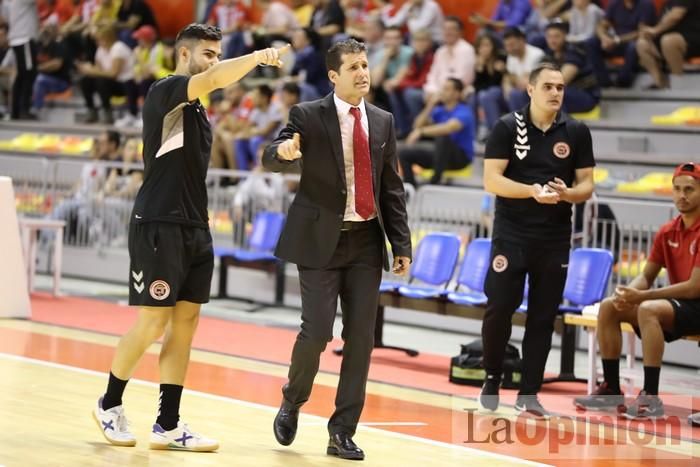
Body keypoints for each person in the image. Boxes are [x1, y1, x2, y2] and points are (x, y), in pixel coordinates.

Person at [91, 23, 288, 451]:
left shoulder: (199, 111)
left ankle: (168, 423)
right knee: (153, 322)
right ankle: (109, 403)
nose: (214, 62)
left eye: (219, 54)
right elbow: (217, 79)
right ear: (185, 55)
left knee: (185, 325)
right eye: (208, 54)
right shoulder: (166, 91)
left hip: (195, 226)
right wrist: (257, 57)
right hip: (158, 223)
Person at [262, 38, 412, 461]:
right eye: (353, 67)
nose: (363, 73)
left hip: (366, 241)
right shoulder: (308, 115)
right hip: (320, 241)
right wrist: (284, 151)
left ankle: (342, 431)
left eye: (365, 64)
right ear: (333, 76)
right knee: (317, 333)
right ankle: (293, 399)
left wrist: (400, 243)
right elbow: (271, 154)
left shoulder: (382, 120)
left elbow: (391, 187)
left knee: (361, 340)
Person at [479, 62, 595, 419]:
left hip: (554, 237)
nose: (556, 93)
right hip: (512, 234)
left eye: (560, 87)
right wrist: (531, 191)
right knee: (499, 308)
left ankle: (529, 392)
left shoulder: (576, 131)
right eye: (548, 86)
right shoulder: (506, 127)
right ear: (530, 90)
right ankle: (493, 376)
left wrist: (568, 194)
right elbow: (492, 181)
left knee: (543, 317)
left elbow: (587, 186)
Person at [574, 163, 700, 419]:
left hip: (695, 303)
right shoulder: (668, 231)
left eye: (690, 189)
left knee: (648, 308)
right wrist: (626, 295)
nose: (682, 195)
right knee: (609, 306)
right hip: (678, 305)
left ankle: (650, 398)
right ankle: (610, 390)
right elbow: (646, 275)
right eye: (677, 189)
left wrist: (641, 297)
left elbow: (694, 287)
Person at [399, 77, 475, 186]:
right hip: (440, 155)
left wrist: (421, 132)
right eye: (442, 89)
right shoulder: (439, 110)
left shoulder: (464, 111)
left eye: (446, 89)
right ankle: (410, 187)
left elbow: (448, 128)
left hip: (460, 158)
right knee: (404, 153)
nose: (442, 92)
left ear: (457, 93)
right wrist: (430, 105)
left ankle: (435, 180)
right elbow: (417, 125)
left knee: (443, 136)